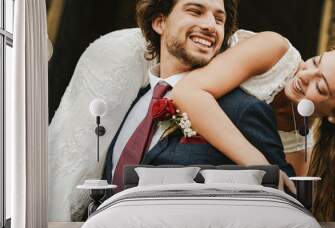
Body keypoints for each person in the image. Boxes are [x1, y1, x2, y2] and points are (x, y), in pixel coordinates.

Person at [167, 32, 335, 221]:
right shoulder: (274, 51)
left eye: (321, 86)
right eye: (316, 62)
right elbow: (187, 92)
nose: (305, 75)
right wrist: (258, 163)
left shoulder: (300, 151)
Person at [102, 0, 295, 196]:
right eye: (195, 12)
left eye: (219, 19)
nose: (211, 26)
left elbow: (286, 194)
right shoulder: (132, 99)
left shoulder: (243, 109)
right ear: (160, 22)